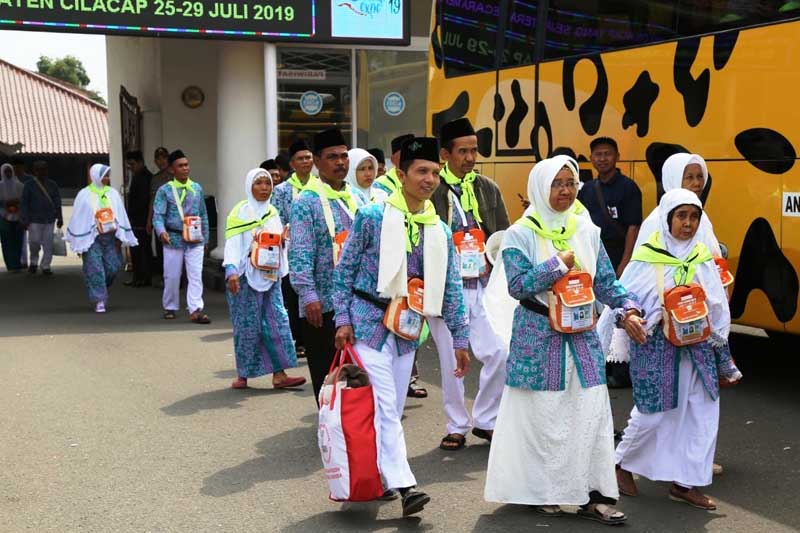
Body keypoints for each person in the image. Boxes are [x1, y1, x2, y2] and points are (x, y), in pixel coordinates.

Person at [484, 157, 644, 526]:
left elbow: (605, 281)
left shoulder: (585, 228)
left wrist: (628, 308)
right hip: (539, 338)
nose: (565, 191)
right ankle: (543, 492)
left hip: (583, 337)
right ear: (541, 187)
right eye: (557, 183)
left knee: (590, 413)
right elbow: (517, 285)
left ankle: (595, 495)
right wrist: (557, 264)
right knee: (545, 417)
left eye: (571, 183)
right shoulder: (522, 233)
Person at [333, 136, 469, 517]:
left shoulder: (439, 230)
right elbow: (343, 273)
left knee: (386, 407)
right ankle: (406, 484)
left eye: (435, 174)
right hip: (367, 321)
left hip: (408, 329)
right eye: (421, 172)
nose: (429, 180)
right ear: (401, 174)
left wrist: (460, 336)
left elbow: (452, 287)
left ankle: (374, 478)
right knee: (386, 408)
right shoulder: (373, 217)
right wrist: (342, 319)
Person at [598, 189, 742, 511]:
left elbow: (718, 306)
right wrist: (631, 317)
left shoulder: (702, 256)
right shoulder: (648, 257)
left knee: (702, 414)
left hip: (699, 348)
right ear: (666, 219)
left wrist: (723, 352)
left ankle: (685, 483)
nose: (688, 224)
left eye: (694, 217)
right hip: (657, 348)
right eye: (681, 216)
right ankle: (620, 464)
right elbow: (624, 300)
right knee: (653, 414)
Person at [428, 117, 510, 451]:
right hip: (449, 288)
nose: (471, 158)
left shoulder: (488, 188)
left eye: (474, 150)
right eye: (463, 151)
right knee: (452, 361)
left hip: (485, 284)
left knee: (500, 352)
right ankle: (456, 424)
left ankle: (487, 419)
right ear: (445, 154)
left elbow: (504, 233)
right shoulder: (432, 189)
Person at [289, 128, 357, 403]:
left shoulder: (357, 198)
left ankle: (355, 425)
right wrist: (308, 295)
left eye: (343, 156)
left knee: (355, 371)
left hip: (356, 301)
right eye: (332, 157)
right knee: (326, 371)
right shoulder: (307, 201)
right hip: (322, 304)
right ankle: (330, 430)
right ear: (317, 162)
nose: (340, 162)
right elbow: (300, 252)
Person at [223, 168, 307, 390]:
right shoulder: (240, 213)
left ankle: (279, 374)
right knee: (247, 327)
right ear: (249, 186)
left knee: (277, 323)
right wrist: (231, 270)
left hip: (270, 278)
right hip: (244, 278)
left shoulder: (272, 213)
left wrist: (283, 240)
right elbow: (232, 242)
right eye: (259, 183)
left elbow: (279, 244)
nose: (264, 188)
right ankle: (243, 375)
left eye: (267, 183)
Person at [66, 164, 138, 312]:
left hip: (110, 238)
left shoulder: (112, 194)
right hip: (92, 239)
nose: (107, 178)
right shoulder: (84, 194)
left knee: (113, 267)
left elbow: (121, 214)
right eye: (104, 175)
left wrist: (120, 238)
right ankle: (99, 299)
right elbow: (78, 218)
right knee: (95, 269)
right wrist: (80, 243)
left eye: (108, 175)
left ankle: (100, 287)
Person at [152, 149, 211, 323]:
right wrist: (161, 232)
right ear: (172, 170)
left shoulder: (196, 188)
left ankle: (195, 309)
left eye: (186, 165)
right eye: (181, 166)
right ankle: (170, 306)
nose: (185, 168)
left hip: (194, 238)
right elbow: (158, 215)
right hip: (173, 238)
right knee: (172, 275)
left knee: (195, 274)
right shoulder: (165, 191)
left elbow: (204, 214)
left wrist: (206, 238)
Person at [273, 139, 319, 358]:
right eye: (301, 158)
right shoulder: (282, 190)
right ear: (291, 163)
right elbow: (276, 217)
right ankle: (299, 339)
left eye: (309, 157)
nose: (306, 162)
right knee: (293, 294)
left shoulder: (320, 185)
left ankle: (312, 337)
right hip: (290, 248)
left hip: (317, 248)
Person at [578, 137, 642, 277]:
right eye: (598, 154)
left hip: (618, 255)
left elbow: (634, 228)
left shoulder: (628, 187)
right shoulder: (587, 189)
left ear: (617, 156)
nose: (602, 158)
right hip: (593, 255)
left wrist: (625, 264)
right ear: (591, 158)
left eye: (607, 154)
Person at [634, 153, 721, 255]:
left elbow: (714, 259)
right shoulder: (656, 220)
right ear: (673, 179)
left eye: (700, 176)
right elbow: (644, 265)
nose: (697, 183)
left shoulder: (703, 218)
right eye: (689, 177)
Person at [20, 160, 63, 275]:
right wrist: (24, 218)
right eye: (39, 169)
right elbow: (24, 203)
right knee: (34, 242)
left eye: (44, 169)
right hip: (34, 219)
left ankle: (46, 266)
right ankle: (34, 262)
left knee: (48, 243)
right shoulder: (29, 185)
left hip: (49, 219)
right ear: (35, 171)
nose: (42, 172)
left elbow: (57, 201)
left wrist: (60, 217)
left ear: (47, 171)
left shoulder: (52, 184)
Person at [125, 150, 153, 287]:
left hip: (141, 219)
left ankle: (144, 277)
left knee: (142, 249)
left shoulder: (145, 177)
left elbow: (144, 201)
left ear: (140, 162)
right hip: (135, 219)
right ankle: (138, 276)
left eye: (132, 164)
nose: (131, 167)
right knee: (136, 249)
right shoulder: (135, 176)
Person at [148, 147, 171, 288]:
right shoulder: (155, 179)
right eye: (158, 159)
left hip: (174, 219)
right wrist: (149, 220)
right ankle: (166, 278)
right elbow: (152, 200)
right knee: (162, 250)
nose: (161, 161)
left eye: (163, 158)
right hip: (160, 219)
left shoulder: (175, 176)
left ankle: (178, 278)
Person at [372, 134, 414, 203]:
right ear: (393, 160)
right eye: (404, 154)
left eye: (413, 154)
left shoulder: (423, 180)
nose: (409, 158)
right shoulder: (380, 184)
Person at [0, 163, 25, 272]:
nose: (8, 173)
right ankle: (10, 265)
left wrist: (16, 203)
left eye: (10, 171)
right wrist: (6, 203)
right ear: (2, 172)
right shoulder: (0, 185)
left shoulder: (20, 185)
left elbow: (24, 200)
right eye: (6, 172)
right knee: (6, 241)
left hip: (18, 215)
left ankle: (17, 263)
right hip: (3, 216)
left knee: (18, 241)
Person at [11, 157, 33, 270]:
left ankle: (27, 260)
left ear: (23, 167)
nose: (16, 169)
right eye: (15, 167)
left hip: (28, 211)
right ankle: (19, 260)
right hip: (13, 211)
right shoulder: (10, 179)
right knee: (18, 238)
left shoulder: (30, 179)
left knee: (29, 238)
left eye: (18, 167)